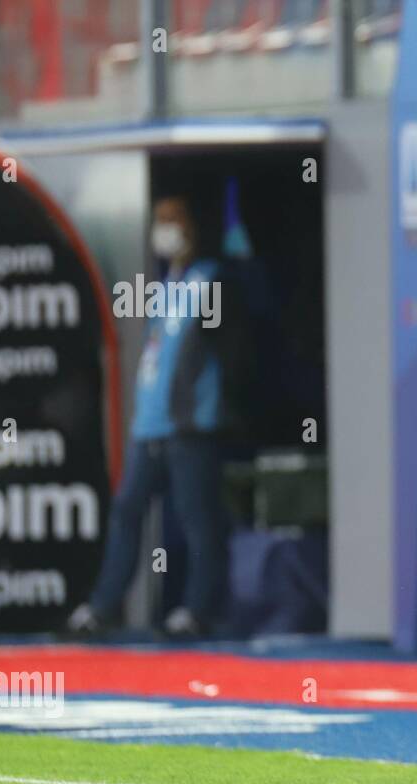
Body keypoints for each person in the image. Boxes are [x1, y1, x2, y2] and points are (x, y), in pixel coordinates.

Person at [66, 194, 240, 638]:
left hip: (189, 427)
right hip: (150, 428)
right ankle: (103, 608)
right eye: (159, 222)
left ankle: (196, 611)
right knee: (126, 511)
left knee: (197, 519)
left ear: (190, 228)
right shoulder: (162, 289)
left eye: (173, 221)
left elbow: (227, 347)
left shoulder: (209, 282)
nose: (165, 230)